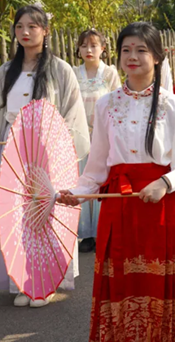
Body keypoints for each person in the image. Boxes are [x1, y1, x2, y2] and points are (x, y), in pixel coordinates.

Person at [59, 22, 175, 341]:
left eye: (141, 50)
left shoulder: (173, 105)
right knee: (120, 286)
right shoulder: (106, 104)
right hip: (118, 209)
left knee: (158, 286)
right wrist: (77, 194)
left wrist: (165, 182)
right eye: (126, 50)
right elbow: (97, 168)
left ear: (157, 56)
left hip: (160, 209)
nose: (132, 56)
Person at [0, 5, 90, 308]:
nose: (25, 32)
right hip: (13, 149)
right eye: (20, 26)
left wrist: (58, 145)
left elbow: (72, 114)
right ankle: (21, 281)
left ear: (46, 31)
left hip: (46, 149)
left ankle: (45, 282)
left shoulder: (60, 70)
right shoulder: (6, 70)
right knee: (16, 214)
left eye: (33, 26)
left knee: (43, 212)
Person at [73, 29, 121, 253]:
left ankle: (104, 229)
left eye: (93, 45)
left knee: (102, 178)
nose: (88, 50)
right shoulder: (73, 73)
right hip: (80, 135)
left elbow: (117, 102)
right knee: (82, 177)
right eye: (84, 46)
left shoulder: (109, 73)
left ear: (103, 48)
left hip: (103, 134)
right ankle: (86, 233)